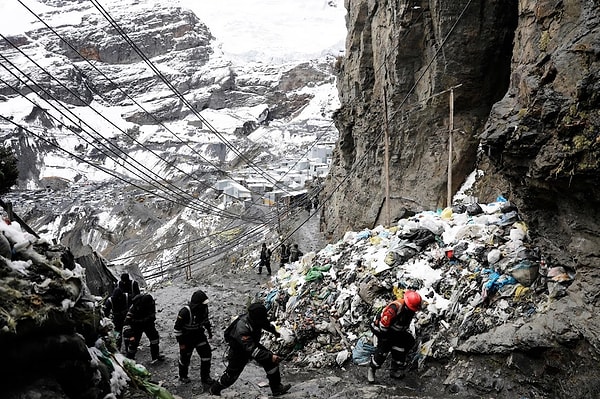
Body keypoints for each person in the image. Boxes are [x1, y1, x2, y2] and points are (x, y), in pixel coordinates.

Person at [209, 303, 291, 396]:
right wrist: (270, 356)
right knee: (231, 376)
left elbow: (266, 324)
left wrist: (276, 333)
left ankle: (276, 388)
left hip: (252, 344)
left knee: (271, 363)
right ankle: (214, 389)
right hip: (239, 351)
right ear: (255, 317)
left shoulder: (258, 319)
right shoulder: (242, 327)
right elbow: (252, 350)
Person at [367, 290, 422, 383]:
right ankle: (372, 369)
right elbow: (383, 326)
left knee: (404, 345)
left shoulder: (410, 310)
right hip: (382, 329)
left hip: (396, 331)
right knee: (383, 350)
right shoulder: (395, 308)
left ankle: (394, 370)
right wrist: (386, 338)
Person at [174, 290, 215, 386]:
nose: (204, 306)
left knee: (206, 355)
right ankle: (183, 375)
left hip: (199, 336)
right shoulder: (185, 312)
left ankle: (205, 377)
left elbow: (206, 321)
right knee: (185, 358)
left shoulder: (204, 309)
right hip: (186, 339)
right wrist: (182, 344)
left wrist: (209, 332)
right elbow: (177, 330)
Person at [122, 293, 165, 364]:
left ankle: (155, 356)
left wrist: (147, 320)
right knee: (133, 343)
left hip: (148, 324)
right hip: (136, 325)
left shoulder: (151, 303)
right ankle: (129, 359)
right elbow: (127, 321)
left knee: (154, 339)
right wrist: (129, 333)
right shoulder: (135, 306)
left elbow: (153, 315)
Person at [103, 287, 130, 351]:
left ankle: (127, 348)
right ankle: (119, 348)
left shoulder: (126, 297)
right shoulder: (111, 300)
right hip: (118, 319)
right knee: (118, 335)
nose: (119, 299)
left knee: (127, 334)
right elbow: (106, 312)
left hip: (125, 318)